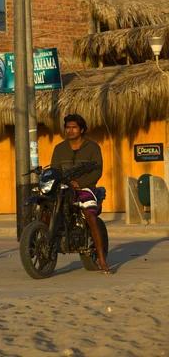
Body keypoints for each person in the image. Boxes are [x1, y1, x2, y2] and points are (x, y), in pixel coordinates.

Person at [51, 113, 114, 274]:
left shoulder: (92, 147)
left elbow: (97, 171)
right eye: (68, 127)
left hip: (85, 188)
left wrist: (80, 184)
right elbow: (55, 170)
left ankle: (101, 259)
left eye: (73, 127)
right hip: (64, 188)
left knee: (91, 217)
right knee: (46, 207)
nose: (70, 130)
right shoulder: (59, 148)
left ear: (82, 129)